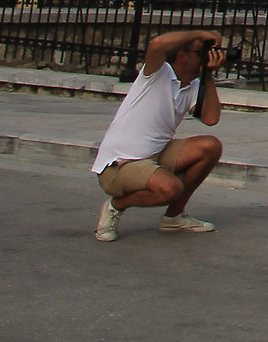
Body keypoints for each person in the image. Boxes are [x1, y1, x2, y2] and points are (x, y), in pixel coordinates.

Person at [92, 29, 227, 242]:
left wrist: (208, 74)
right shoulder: (158, 73)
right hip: (119, 165)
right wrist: (200, 34)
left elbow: (211, 119)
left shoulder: (193, 85)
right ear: (182, 56)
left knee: (210, 146)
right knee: (171, 188)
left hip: (154, 156)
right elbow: (156, 44)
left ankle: (173, 217)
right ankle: (115, 206)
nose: (206, 55)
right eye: (200, 51)